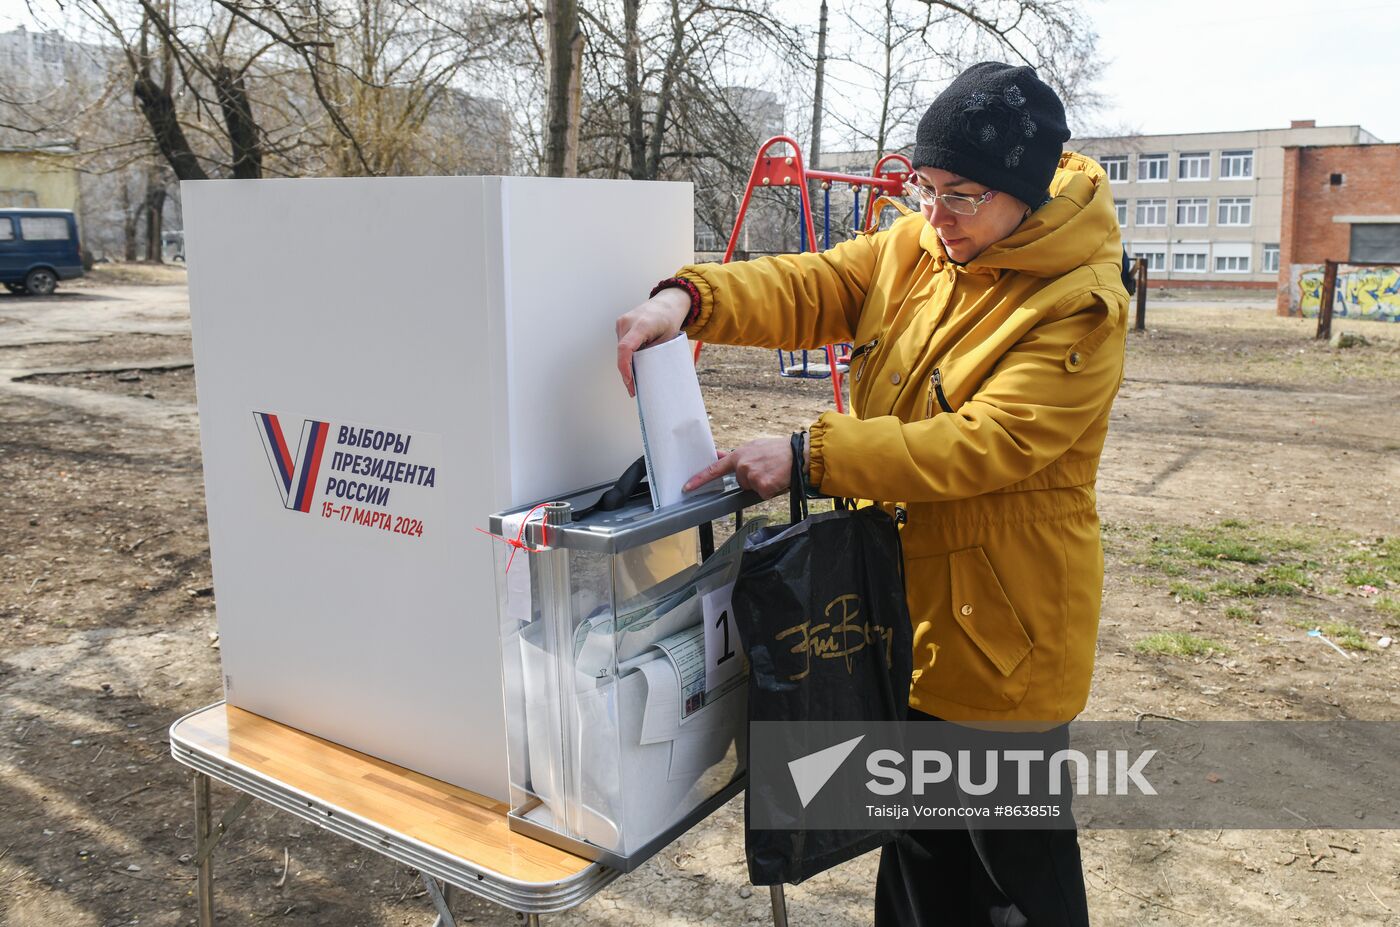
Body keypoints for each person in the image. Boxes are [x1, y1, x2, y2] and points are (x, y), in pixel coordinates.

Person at [616, 61, 1126, 927]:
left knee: (1016, 870)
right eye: (925, 188)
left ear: (1024, 191)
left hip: (1004, 633)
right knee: (920, 851)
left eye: (961, 195)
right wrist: (688, 299)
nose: (936, 214)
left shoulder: (1077, 302)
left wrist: (810, 455)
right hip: (905, 609)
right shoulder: (919, 246)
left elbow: (987, 443)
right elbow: (812, 284)